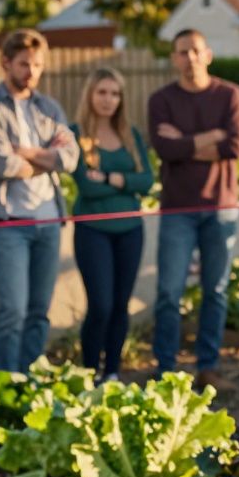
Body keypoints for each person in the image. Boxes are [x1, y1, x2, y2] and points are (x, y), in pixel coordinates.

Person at [0, 29, 79, 373]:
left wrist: (29, 153)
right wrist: (48, 157)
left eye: (37, 65)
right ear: (6, 63)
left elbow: (71, 158)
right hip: (7, 223)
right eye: (23, 64)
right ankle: (5, 383)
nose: (31, 71)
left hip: (48, 221)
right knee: (13, 311)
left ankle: (31, 380)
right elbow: (2, 165)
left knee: (38, 311)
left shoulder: (49, 108)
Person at [148, 28, 239, 390]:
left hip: (221, 210)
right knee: (168, 294)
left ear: (207, 54)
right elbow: (165, 149)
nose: (189, 58)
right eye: (181, 52)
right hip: (177, 210)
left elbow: (235, 147)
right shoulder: (161, 100)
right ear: (174, 58)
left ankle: (208, 368)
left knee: (216, 291)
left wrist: (186, 143)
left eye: (195, 51)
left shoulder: (230, 95)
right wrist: (212, 137)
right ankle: (165, 371)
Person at [70, 67, 153, 383]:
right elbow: (86, 187)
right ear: (90, 94)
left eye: (115, 93)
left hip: (131, 230)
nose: (108, 100)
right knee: (101, 305)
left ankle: (113, 373)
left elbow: (146, 181)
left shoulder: (130, 135)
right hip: (93, 232)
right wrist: (125, 183)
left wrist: (109, 177)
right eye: (102, 92)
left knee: (120, 305)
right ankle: (88, 375)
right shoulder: (76, 133)